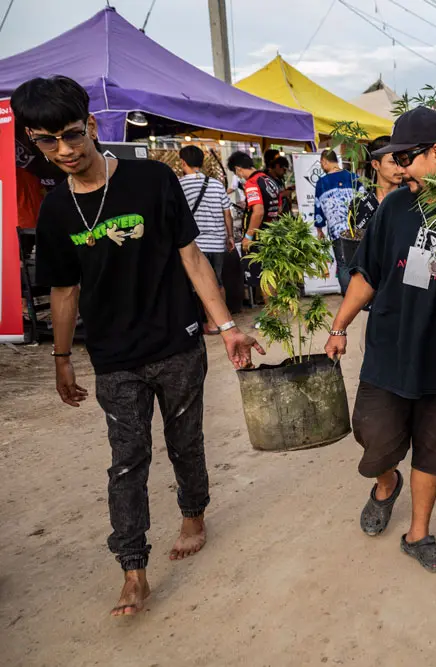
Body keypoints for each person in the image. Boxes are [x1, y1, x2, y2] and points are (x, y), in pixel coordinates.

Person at [11, 76, 263, 617]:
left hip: (177, 343)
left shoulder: (152, 181)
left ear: (93, 125)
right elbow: (63, 290)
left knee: (184, 442)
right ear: (33, 142)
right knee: (126, 461)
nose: (65, 150)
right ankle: (133, 567)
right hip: (114, 357)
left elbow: (192, 259)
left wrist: (225, 328)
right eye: (46, 142)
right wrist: (61, 359)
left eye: (72, 134)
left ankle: (193, 511)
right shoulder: (55, 213)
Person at [322, 107, 436, 573]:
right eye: (395, 159)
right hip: (391, 347)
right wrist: (339, 326)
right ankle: (386, 484)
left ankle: (418, 533)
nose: (399, 168)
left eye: (406, 157)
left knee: (435, 448)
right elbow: (367, 272)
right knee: (373, 434)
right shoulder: (394, 207)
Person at [178, 145, 235, 334]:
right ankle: (224, 323)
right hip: (218, 241)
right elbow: (228, 214)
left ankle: (210, 324)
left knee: (200, 283)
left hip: (195, 245)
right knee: (218, 282)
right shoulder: (217, 185)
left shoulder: (180, 185)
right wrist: (230, 236)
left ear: (183, 162)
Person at [227, 151, 281, 304]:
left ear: (238, 169)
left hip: (259, 237)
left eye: (237, 173)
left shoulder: (252, 183)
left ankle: (272, 317)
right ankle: (274, 312)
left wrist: (249, 236)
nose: (239, 177)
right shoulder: (268, 180)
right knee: (271, 275)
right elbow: (278, 207)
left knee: (264, 277)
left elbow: (258, 211)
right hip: (272, 232)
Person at [313, 147, 360, 293]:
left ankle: (349, 297)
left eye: (321, 164)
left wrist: (319, 228)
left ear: (324, 161)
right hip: (358, 229)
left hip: (337, 231)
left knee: (343, 265)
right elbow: (364, 199)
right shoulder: (353, 177)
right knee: (359, 262)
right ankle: (362, 296)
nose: (322, 167)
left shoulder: (322, 182)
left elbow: (318, 206)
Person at [347, 135, 404, 237]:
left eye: (402, 161)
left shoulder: (413, 202)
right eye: (392, 162)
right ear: (376, 164)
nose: (400, 169)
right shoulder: (359, 205)